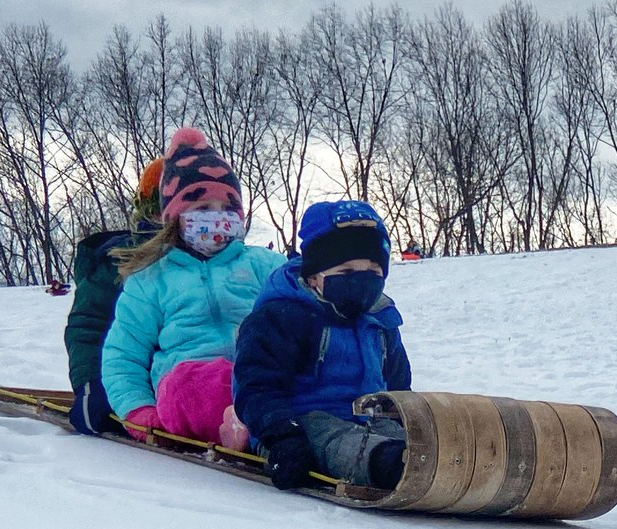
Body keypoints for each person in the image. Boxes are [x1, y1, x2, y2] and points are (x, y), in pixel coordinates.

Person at [101, 127, 284, 444]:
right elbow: (123, 354)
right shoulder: (151, 280)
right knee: (191, 384)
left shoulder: (264, 265)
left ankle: (263, 425)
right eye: (202, 210)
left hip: (258, 379)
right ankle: (250, 428)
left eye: (227, 210)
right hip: (191, 388)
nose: (218, 220)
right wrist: (138, 411)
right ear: (176, 217)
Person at [232, 199, 411, 491]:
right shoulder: (283, 316)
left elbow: (399, 387)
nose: (362, 281)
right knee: (335, 439)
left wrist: (413, 422)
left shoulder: (380, 321)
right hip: (296, 425)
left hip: (368, 418)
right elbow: (256, 385)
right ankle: (391, 465)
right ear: (314, 276)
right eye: (347, 273)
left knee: (412, 438)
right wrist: (281, 436)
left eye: (374, 272)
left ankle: (440, 461)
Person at [63, 157, 163, 435]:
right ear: (147, 211)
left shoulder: (211, 259)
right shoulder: (118, 263)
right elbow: (89, 326)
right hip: (130, 388)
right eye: (160, 210)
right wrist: (91, 382)